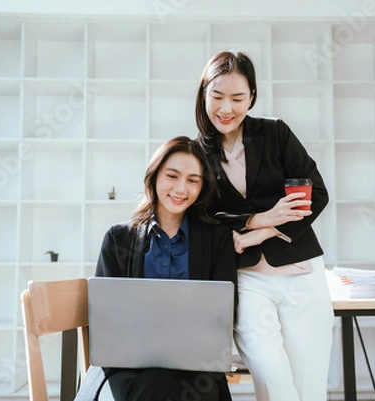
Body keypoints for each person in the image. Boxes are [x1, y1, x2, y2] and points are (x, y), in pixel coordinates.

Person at [195, 51, 334, 401]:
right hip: (247, 277)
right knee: (271, 374)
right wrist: (259, 217)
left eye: (238, 98)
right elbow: (204, 216)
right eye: (217, 97)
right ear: (203, 95)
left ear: (252, 97)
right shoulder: (196, 152)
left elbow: (315, 193)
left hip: (301, 270)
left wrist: (261, 231)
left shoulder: (275, 133)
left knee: (309, 383)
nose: (226, 108)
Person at [93, 136, 237, 401]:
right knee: (155, 383)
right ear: (155, 176)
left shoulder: (217, 240)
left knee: (163, 386)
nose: (181, 188)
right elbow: (105, 320)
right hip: (129, 371)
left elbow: (222, 317)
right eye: (172, 175)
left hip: (195, 372)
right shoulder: (118, 239)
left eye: (193, 180)